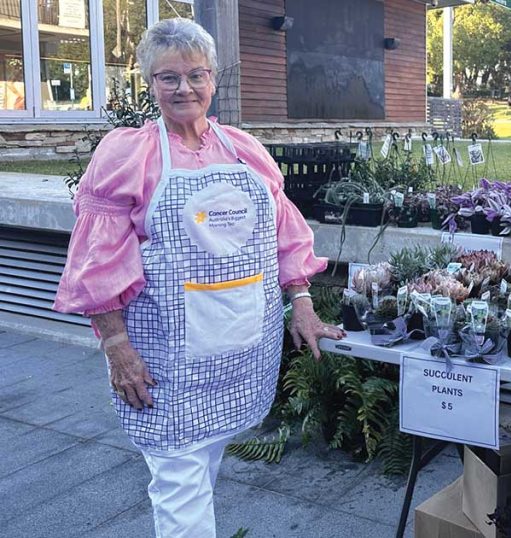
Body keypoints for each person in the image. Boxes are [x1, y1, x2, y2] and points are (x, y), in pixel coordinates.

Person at [53, 18, 346, 537]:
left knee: (203, 463)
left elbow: (285, 233)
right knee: (178, 480)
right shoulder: (129, 155)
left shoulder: (243, 149)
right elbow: (97, 261)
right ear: (150, 84)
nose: (184, 88)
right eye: (168, 78)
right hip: (164, 356)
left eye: (195, 75)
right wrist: (116, 346)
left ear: (213, 80)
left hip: (239, 346)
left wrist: (301, 301)